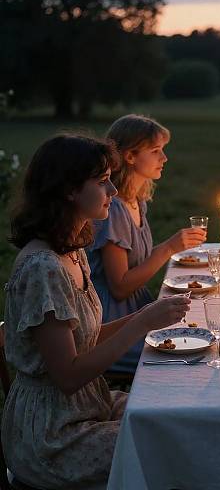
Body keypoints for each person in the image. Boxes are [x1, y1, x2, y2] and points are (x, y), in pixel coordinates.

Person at [2, 134, 191, 489]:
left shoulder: (71, 250)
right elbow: (68, 375)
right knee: (168, 443)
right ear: (70, 190)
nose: (114, 192)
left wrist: (144, 317)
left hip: (87, 406)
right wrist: (143, 324)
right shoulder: (45, 268)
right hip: (52, 435)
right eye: (103, 182)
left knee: (175, 410)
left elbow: (82, 339)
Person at [86, 114, 205, 374]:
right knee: (188, 358)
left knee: (202, 331)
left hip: (137, 310)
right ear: (130, 156)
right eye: (155, 151)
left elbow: (136, 263)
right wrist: (169, 249)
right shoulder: (114, 210)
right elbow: (119, 287)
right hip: (114, 322)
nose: (164, 158)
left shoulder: (136, 201)